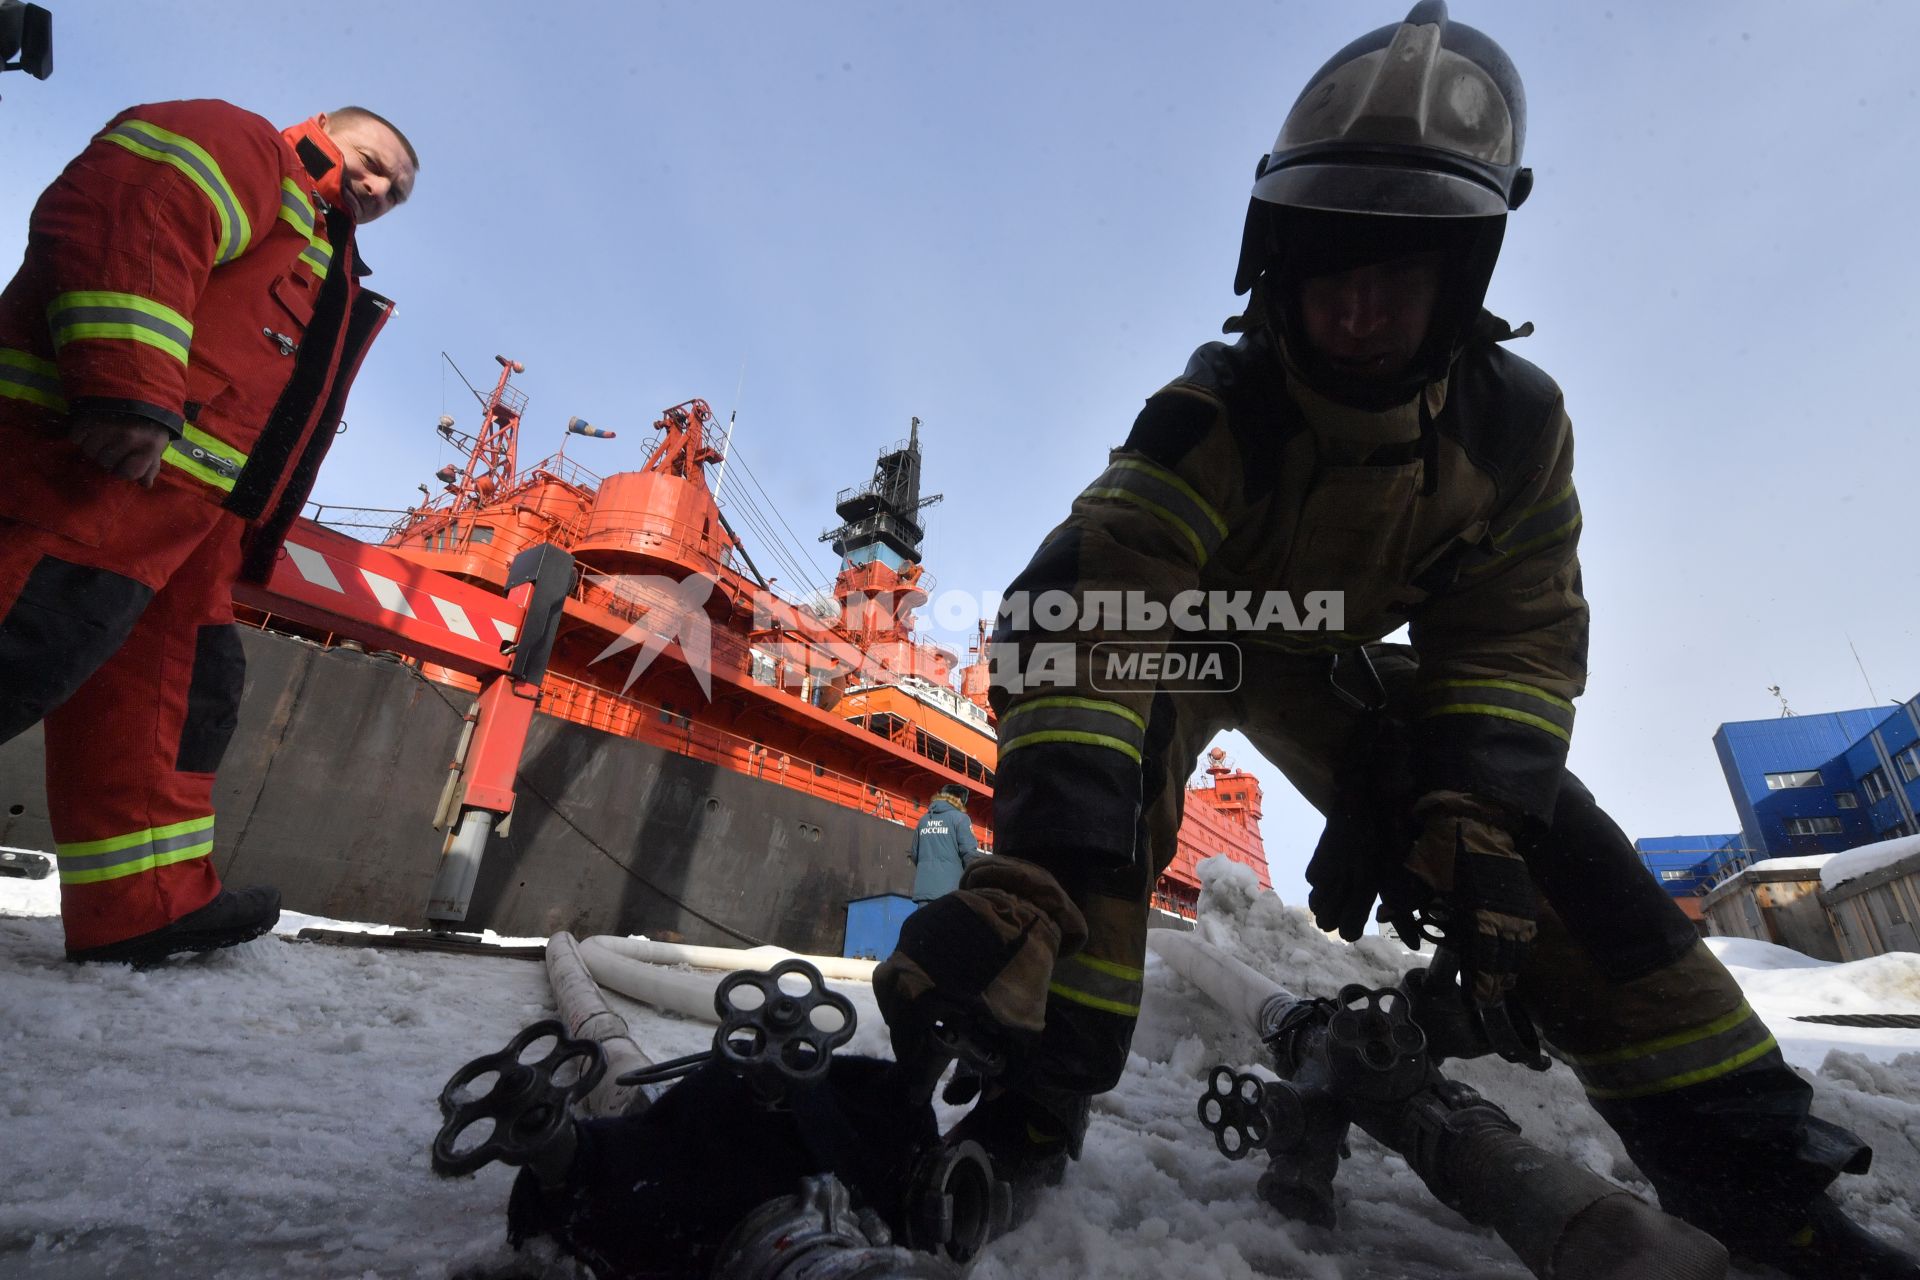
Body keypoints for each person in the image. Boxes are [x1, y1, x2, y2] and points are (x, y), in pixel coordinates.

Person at [874, 6, 1917, 1276]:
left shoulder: (1517, 429)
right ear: (1279, 263)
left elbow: (1517, 639)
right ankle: (1035, 1102)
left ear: (1463, 278)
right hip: (1197, 631)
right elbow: (1091, 603)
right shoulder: (1215, 410)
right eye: (1334, 271)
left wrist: (1477, 813)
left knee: (1563, 859)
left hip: (1327, 662)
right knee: (1109, 766)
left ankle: (1765, 1184)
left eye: (1402, 274)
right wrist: (1042, 864)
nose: (1362, 311)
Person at [0, 101, 418, 966]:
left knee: (179, 697)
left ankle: (143, 907)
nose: (378, 188)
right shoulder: (245, 147)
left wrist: (234, 542)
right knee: (19, 642)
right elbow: (137, 206)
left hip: (189, 518)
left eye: (396, 191)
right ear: (322, 128)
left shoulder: (324, 253)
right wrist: (129, 382)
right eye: (371, 161)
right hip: (88, 469)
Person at [907, 784, 982, 904]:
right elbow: (970, 853)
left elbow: (915, 854)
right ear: (958, 799)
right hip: (950, 890)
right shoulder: (961, 818)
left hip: (924, 889)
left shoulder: (923, 820)